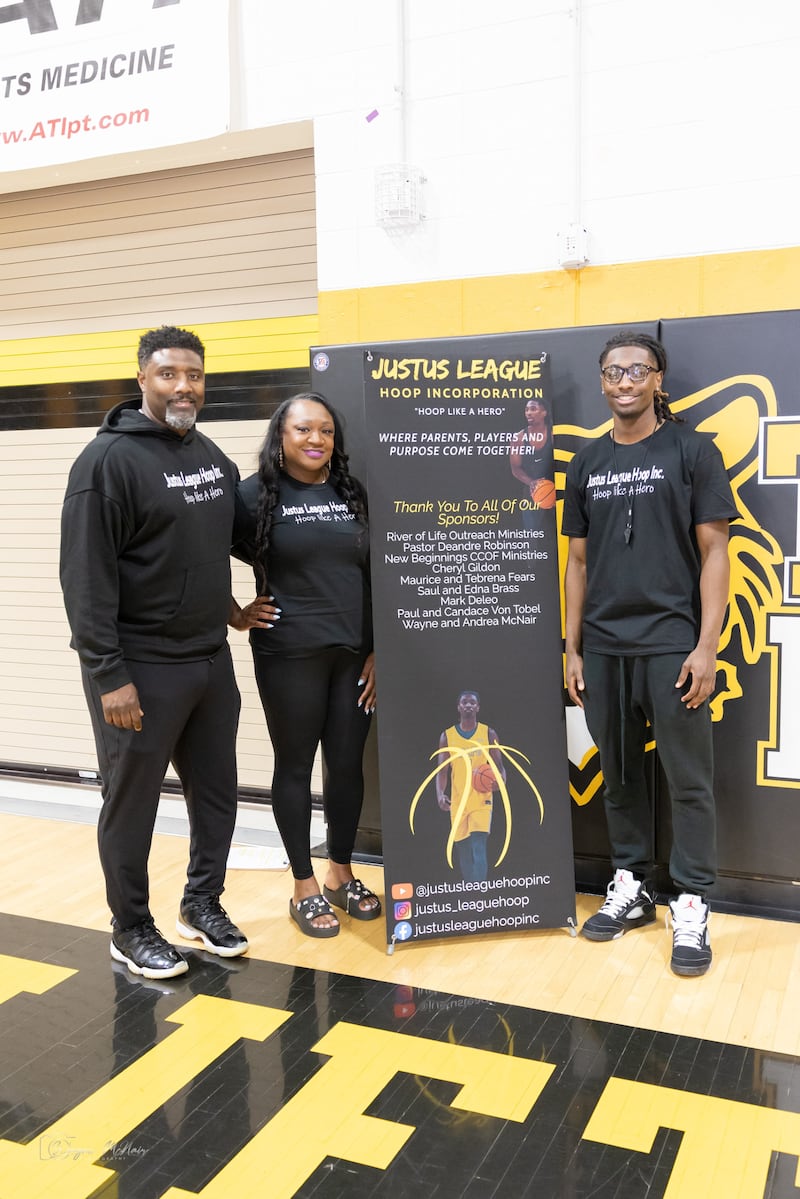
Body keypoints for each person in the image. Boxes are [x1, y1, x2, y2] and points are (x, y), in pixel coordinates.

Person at [60, 325, 250, 980]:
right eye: (169, 373)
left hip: (209, 660)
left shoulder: (207, 452)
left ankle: (201, 904)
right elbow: (85, 579)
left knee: (217, 793)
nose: (183, 386)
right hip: (138, 667)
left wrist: (229, 607)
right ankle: (131, 927)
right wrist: (108, 674)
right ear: (142, 378)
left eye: (194, 374)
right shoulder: (106, 463)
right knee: (132, 802)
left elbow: (215, 540)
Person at [562, 331, 738, 977]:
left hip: (671, 644)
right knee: (620, 777)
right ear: (602, 381)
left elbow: (715, 552)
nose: (625, 381)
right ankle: (632, 885)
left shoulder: (693, 451)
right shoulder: (587, 463)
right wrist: (572, 648)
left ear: (657, 379)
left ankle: (690, 902)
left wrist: (706, 644)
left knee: (688, 782)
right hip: (605, 647)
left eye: (637, 369)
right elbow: (578, 564)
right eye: (613, 371)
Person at [232, 393, 380, 938]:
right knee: (295, 766)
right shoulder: (251, 497)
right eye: (303, 429)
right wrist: (234, 613)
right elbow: (197, 555)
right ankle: (303, 884)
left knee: (346, 765)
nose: (316, 439)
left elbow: (373, 575)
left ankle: (340, 872)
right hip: (289, 655)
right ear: (281, 436)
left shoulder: (350, 492)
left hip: (354, 657)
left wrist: (379, 650)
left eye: (326, 430)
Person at [435, 691, 506, 883]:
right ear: (458, 707)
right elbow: (442, 771)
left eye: (472, 702)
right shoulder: (447, 736)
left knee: (478, 845)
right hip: (458, 801)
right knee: (463, 849)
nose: (468, 705)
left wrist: (500, 782)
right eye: (464, 702)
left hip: (481, 799)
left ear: (478, 708)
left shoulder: (488, 733)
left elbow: (500, 767)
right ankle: (470, 888)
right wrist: (440, 794)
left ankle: (479, 890)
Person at [509, 397, 553, 525]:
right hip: (533, 491)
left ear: (544, 413)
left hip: (554, 487)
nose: (528, 413)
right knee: (532, 532)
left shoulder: (554, 434)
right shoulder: (518, 438)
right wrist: (532, 482)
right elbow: (515, 468)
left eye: (533, 409)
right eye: (526, 410)